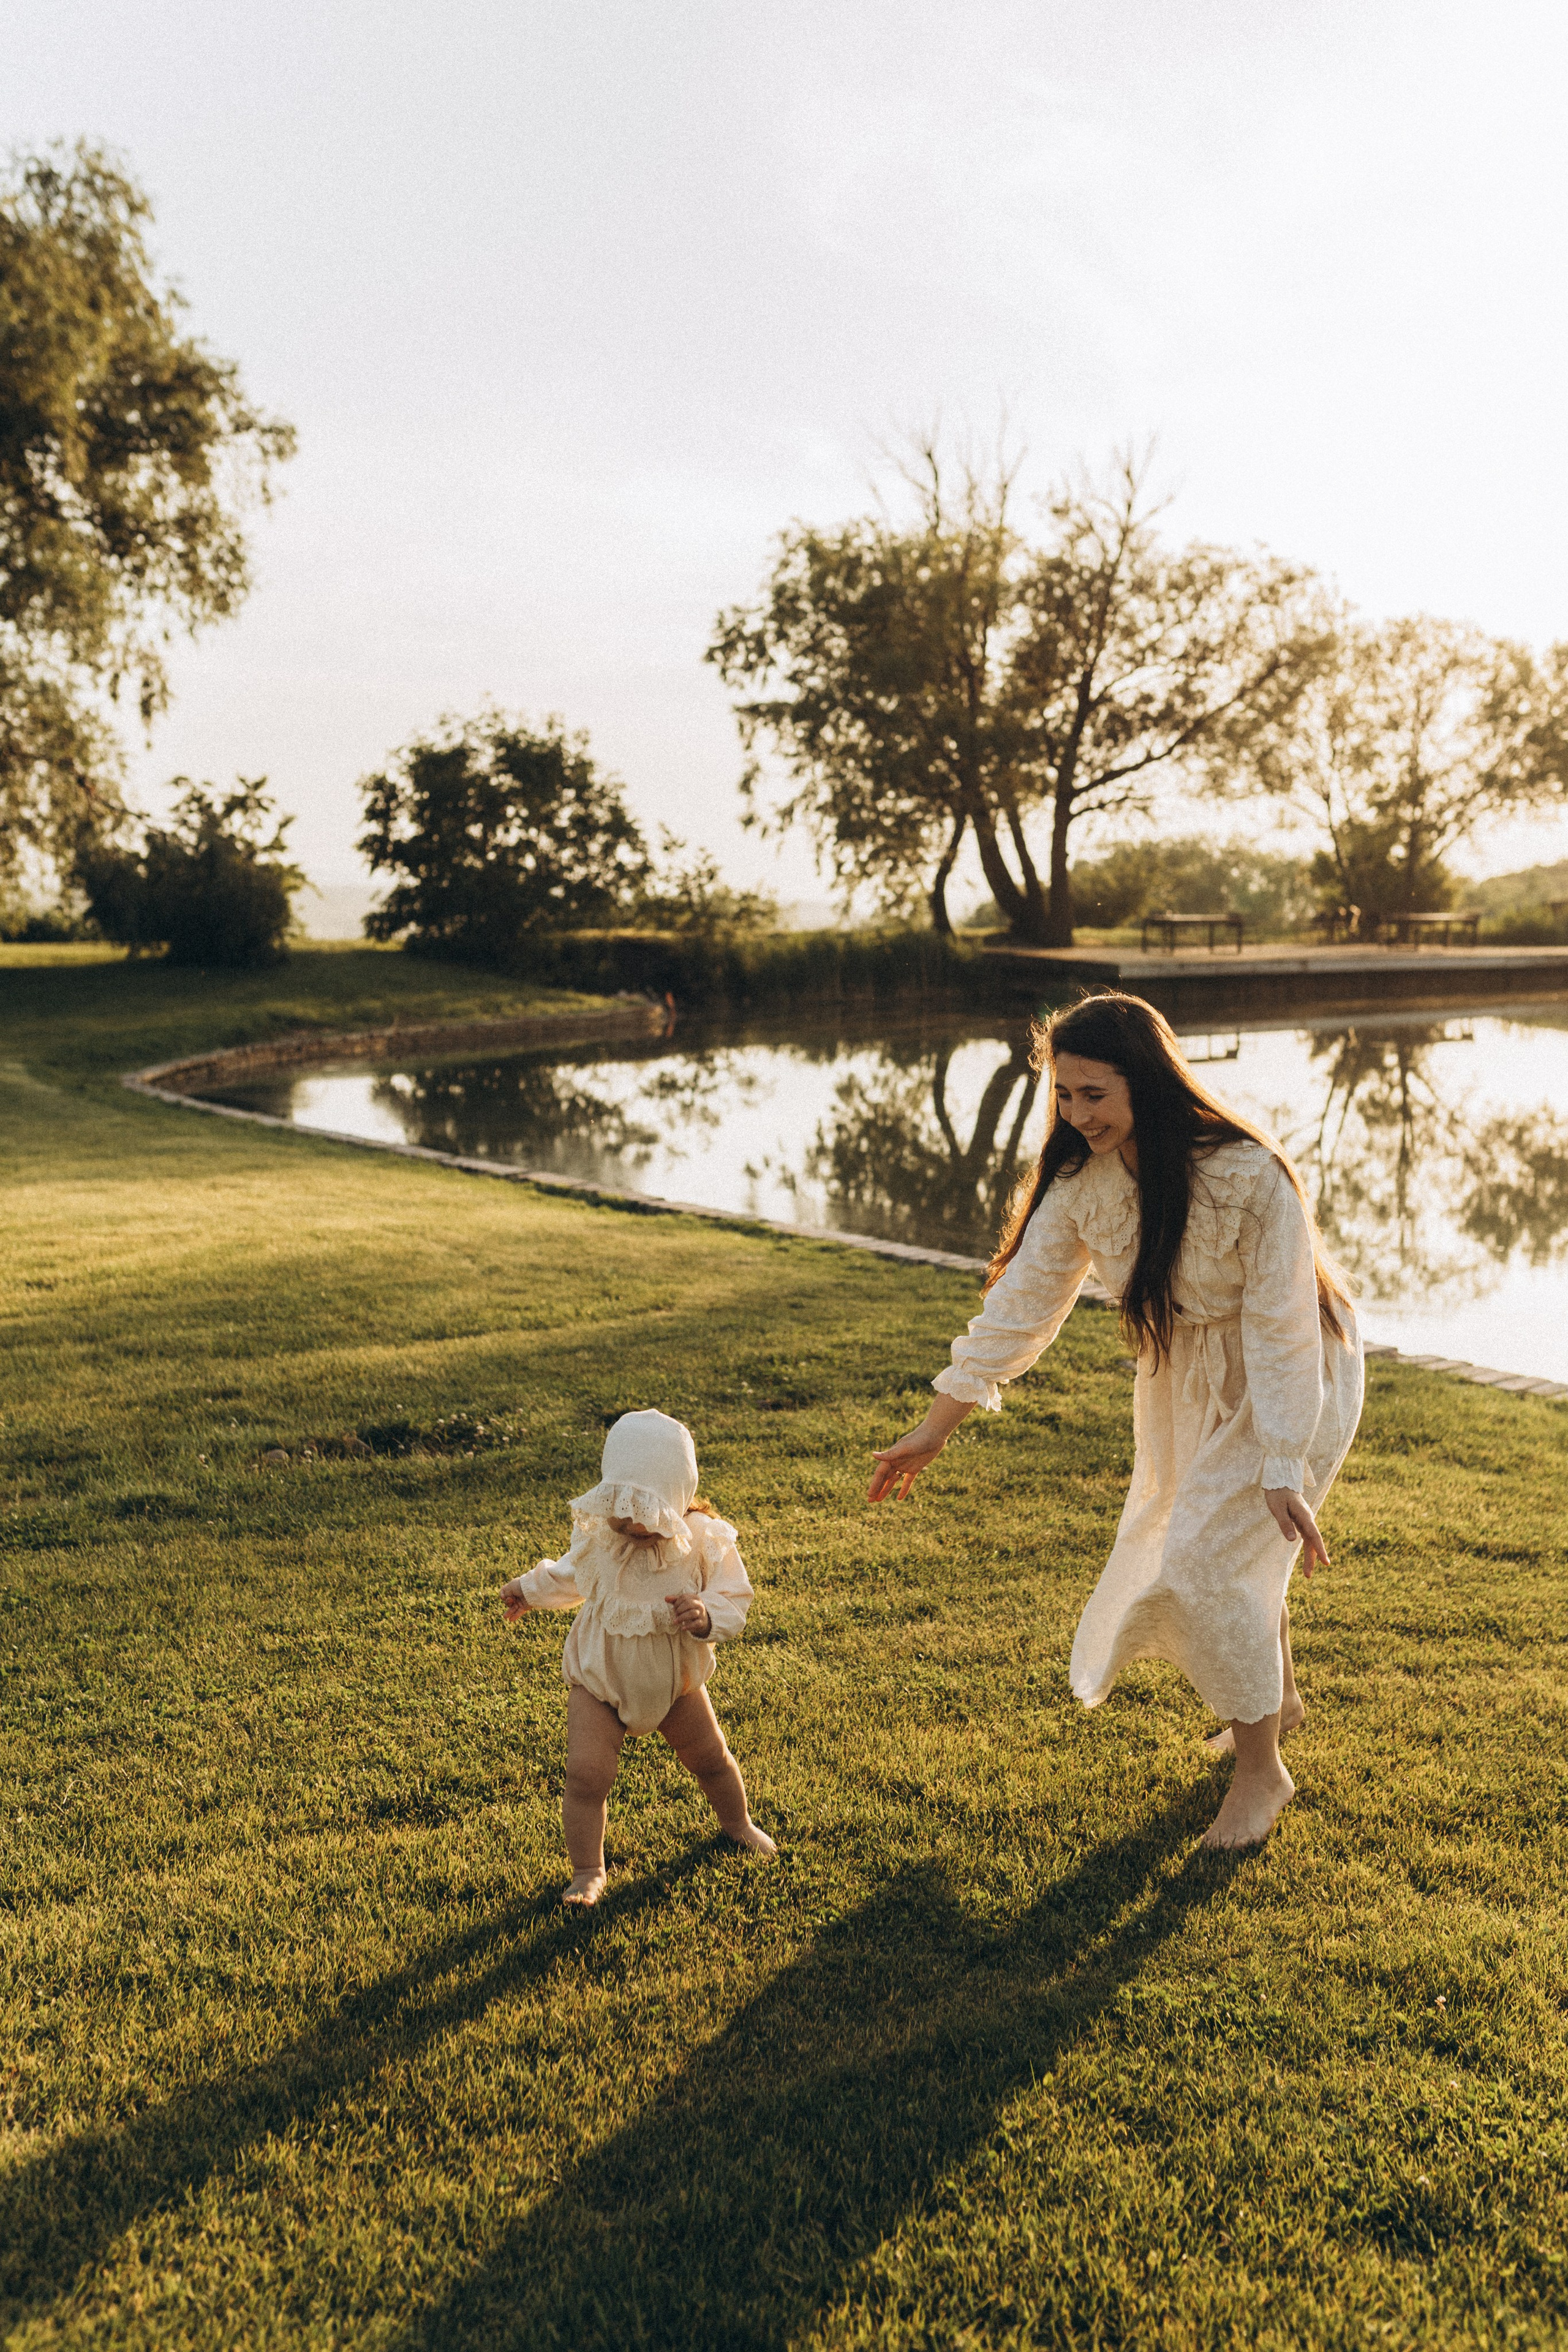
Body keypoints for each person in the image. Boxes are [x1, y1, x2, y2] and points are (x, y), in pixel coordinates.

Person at [868, 991, 1363, 1849]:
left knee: (1206, 1558)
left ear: (1148, 1078)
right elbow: (1021, 1310)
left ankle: (1262, 1774)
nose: (1075, 1113)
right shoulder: (1079, 1186)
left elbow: (1283, 1326)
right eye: (1063, 1094)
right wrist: (937, 1425)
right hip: (1183, 1378)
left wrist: (1284, 1460)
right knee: (1221, 1542)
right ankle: (1276, 1701)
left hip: (1294, 1376)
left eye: (1093, 1093)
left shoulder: (1250, 1171)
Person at [502, 1408, 775, 1904]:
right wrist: (527, 1589)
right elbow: (569, 1576)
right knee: (587, 1775)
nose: (629, 1522)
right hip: (599, 1681)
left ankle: (739, 1825)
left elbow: (735, 1597)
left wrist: (706, 1614)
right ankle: (587, 1872)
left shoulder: (703, 1541)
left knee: (711, 1759)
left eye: (644, 1509)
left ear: (676, 1500)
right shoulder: (601, 1538)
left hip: (676, 1686)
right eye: (620, 1505)